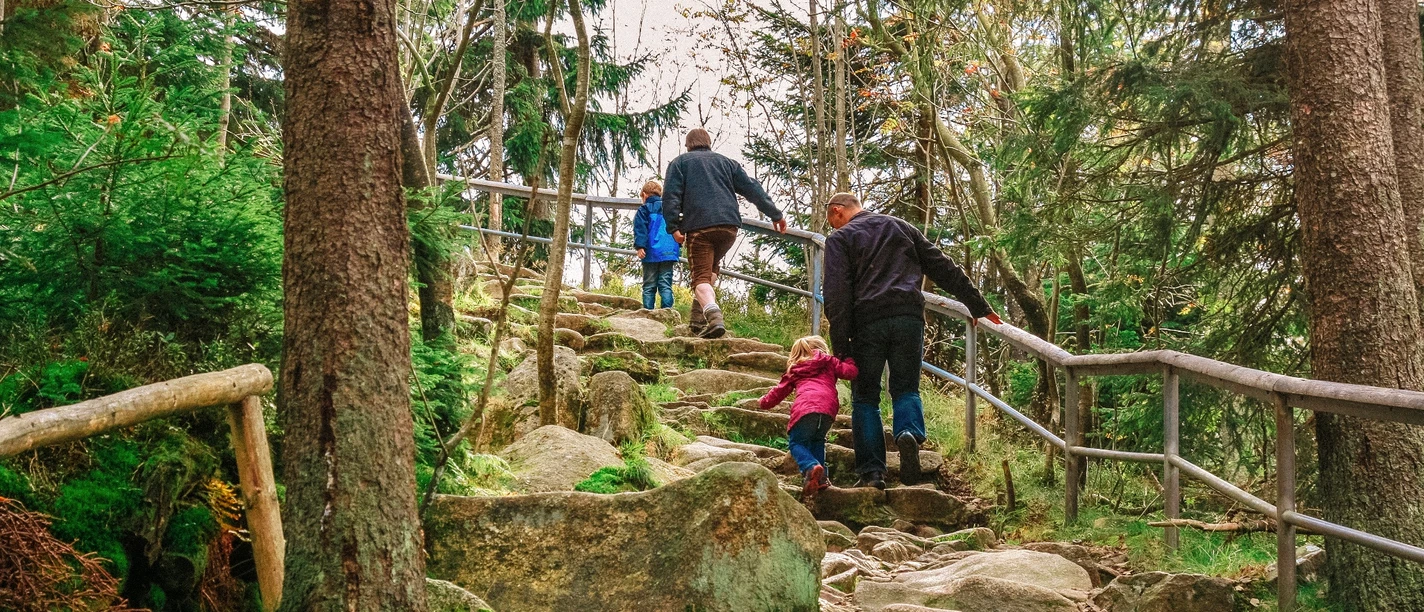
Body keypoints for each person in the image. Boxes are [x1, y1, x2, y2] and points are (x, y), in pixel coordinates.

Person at [822, 192, 1003, 489]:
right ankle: (908, 433)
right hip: (908, 318)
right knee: (906, 387)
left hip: (867, 322)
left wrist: (841, 347)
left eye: (832, 221)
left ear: (837, 211)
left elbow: (836, 294)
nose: (833, 227)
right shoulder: (900, 226)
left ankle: (872, 473)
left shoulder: (840, 239)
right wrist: (976, 304)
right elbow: (943, 266)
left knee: (865, 397)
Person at [662, 128, 788, 338]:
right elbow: (752, 188)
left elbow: (670, 197)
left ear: (688, 145)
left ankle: (714, 318)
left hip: (700, 227)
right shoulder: (727, 163)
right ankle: (697, 320)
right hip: (729, 227)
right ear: (708, 143)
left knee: (700, 278)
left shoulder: (680, 163)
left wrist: (673, 227)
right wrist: (775, 214)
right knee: (711, 269)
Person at [759, 336, 858, 499]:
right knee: (818, 440)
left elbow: (779, 391)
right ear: (822, 349)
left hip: (805, 408)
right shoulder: (829, 361)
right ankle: (821, 478)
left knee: (796, 443)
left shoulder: (795, 369)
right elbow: (850, 372)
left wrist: (763, 402)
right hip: (827, 410)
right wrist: (848, 358)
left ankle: (810, 466)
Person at [633, 180, 680, 310]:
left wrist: (640, 246)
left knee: (649, 285)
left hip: (650, 252)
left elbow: (640, 229)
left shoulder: (644, 209)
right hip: (669, 251)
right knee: (665, 283)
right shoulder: (670, 208)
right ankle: (667, 312)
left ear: (644, 195)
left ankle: (648, 312)